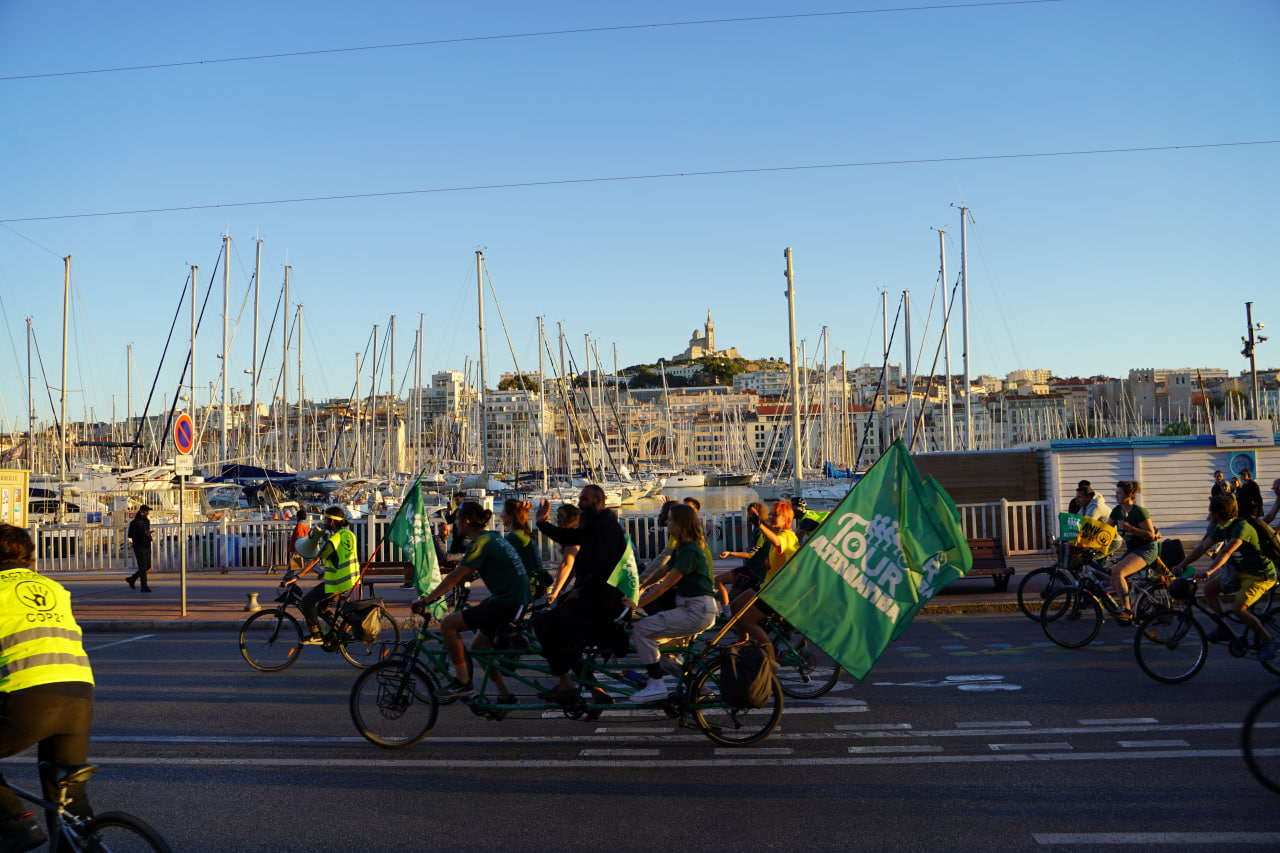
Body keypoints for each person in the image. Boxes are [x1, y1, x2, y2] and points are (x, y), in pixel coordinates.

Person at [0, 524, 95, 852]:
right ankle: (86, 844)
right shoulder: (54, 587)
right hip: (80, 691)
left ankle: (17, 823)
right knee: (67, 792)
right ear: (27, 554)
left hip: (29, 696)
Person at [414, 502, 530, 702]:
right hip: (515, 599)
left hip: (507, 602)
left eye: (457, 520)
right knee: (477, 648)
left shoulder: (479, 543)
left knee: (448, 625)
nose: (455, 524)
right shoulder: (491, 537)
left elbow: (454, 577)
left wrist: (426, 600)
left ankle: (463, 683)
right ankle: (505, 694)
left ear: (466, 521)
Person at [533, 484, 628, 705]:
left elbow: (604, 567)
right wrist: (542, 523)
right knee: (563, 635)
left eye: (584, 499)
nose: (579, 503)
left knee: (545, 625)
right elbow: (571, 536)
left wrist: (580, 590)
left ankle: (566, 684)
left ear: (598, 501)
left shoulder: (605, 526)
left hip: (602, 602)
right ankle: (594, 691)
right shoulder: (596, 523)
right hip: (594, 597)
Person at [1169, 494, 1277, 661]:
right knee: (1209, 589)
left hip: (1259, 575)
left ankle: (1268, 640)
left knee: (1238, 609)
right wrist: (1182, 565)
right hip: (1239, 572)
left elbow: (1227, 551)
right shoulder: (1222, 528)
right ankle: (1224, 629)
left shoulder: (1241, 527)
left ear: (1217, 513)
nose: (1208, 514)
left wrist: (1209, 571)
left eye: (1210, 510)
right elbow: (1201, 548)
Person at [630, 504, 720, 702]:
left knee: (642, 630)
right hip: (695, 609)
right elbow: (662, 572)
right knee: (662, 654)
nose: (666, 523)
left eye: (670, 519)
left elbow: (665, 585)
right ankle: (699, 689)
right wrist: (640, 587)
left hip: (696, 611)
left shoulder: (690, 551)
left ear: (680, 523)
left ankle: (655, 685)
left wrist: (636, 604)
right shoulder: (683, 549)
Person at [733, 500, 800, 655]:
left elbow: (777, 542)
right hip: (767, 585)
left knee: (747, 620)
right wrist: (760, 521)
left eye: (774, 515)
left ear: (786, 519)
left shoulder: (786, 536)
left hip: (777, 591)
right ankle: (745, 645)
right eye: (770, 513)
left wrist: (760, 524)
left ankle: (770, 654)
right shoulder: (781, 532)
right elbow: (773, 535)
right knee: (735, 606)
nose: (770, 516)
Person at [298, 506, 359, 645]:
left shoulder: (335, 539)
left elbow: (316, 560)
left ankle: (316, 634)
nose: (324, 522)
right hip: (351, 580)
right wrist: (325, 572)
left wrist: (297, 576)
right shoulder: (348, 535)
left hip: (338, 582)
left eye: (325, 519)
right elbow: (341, 557)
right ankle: (339, 634)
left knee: (307, 601)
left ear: (331, 521)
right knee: (322, 608)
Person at [1108, 481, 1159, 622]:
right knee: (1114, 576)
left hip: (1146, 548)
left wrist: (1130, 528)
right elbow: (1104, 530)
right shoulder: (1117, 511)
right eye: (1116, 492)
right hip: (1132, 548)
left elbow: (1151, 535)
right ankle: (1135, 598)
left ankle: (1127, 610)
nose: (1116, 495)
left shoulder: (1139, 512)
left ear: (1129, 495)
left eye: (1119, 493)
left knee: (1119, 572)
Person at [716, 502, 769, 601]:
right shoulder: (763, 529)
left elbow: (750, 554)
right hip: (754, 570)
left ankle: (725, 610)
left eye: (749, 513)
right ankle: (728, 611)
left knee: (718, 580)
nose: (748, 516)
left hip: (753, 571)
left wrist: (730, 553)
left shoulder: (759, 531)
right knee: (735, 595)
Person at [502, 498, 551, 600]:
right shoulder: (523, 533)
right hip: (536, 584)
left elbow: (500, 557)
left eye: (503, 512)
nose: (501, 516)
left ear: (511, 516)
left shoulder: (515, 536)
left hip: (530, 585)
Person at [545, 503, 580, 604]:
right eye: (557, 516)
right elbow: (572, 568)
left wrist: (554, 593)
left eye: (561, 516)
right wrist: (561, 590)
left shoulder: (572, 536)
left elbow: (567, 564)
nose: (557, 520)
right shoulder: (575, 532)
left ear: (571, 518)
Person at [125, 504, 153, 592]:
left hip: (146, 545)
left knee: (148, 566)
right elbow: (130, 535)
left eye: (148, 511)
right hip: (139, 546)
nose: (147, 513)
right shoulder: (134, 522)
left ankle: (132, 579)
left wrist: (148, 535)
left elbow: (146, 531)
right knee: (143, 567)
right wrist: (143, 534)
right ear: (141, 511)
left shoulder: (147, 521)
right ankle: (144, 586)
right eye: (146, 511)